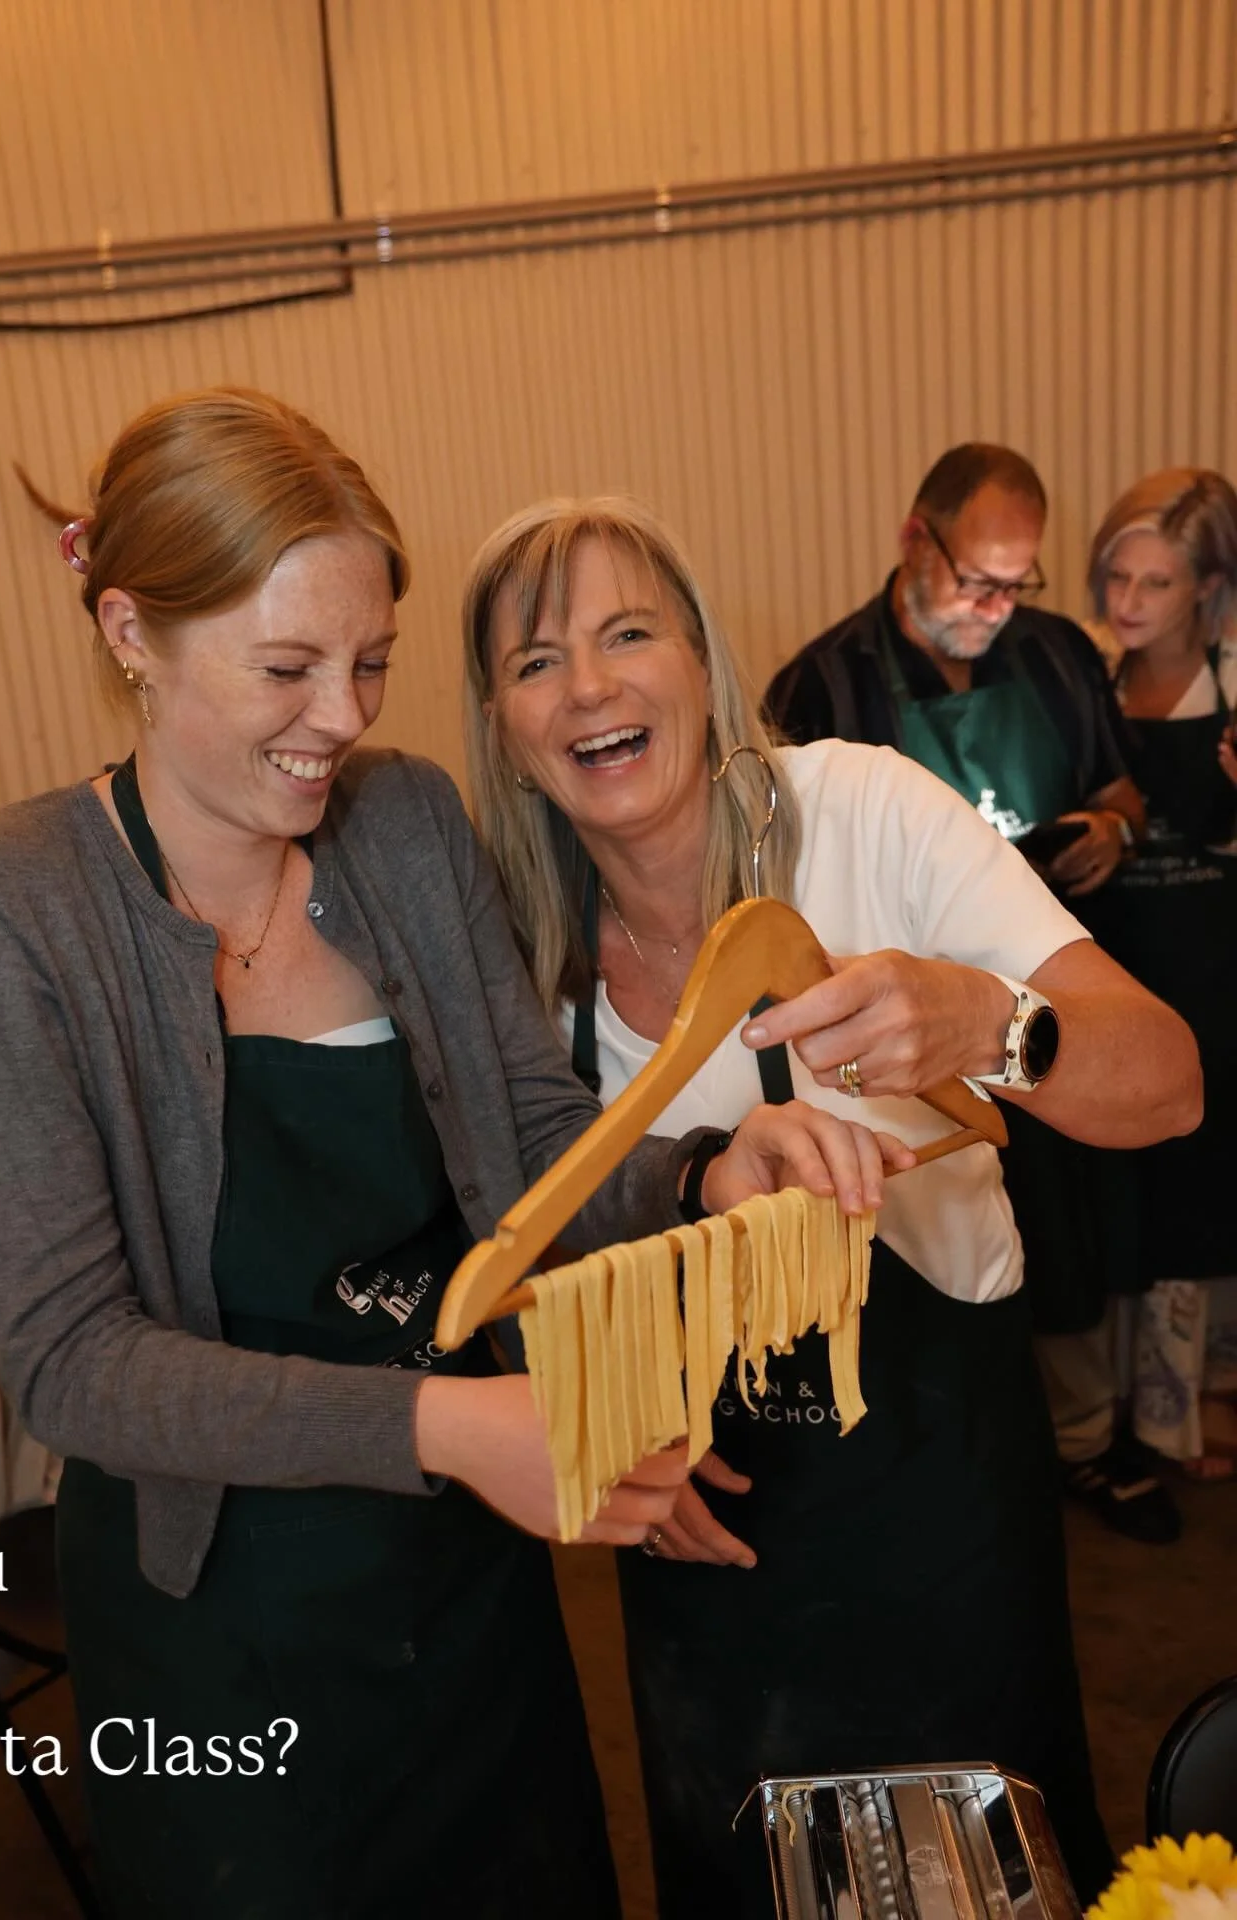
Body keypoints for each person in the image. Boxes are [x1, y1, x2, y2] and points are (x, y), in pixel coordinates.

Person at [0, 389, 821, 1920]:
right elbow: (71, 1361)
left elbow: (528, 1133)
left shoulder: (399, 825)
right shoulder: (4, 906)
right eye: (287, 668)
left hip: (464, 1600)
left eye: (371, 661)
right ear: (131, 631)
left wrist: (700, 1176)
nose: (345, 717)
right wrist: (465, 1436)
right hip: (222, 1637)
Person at [461, 495, 1202, 1920]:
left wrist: (989, 1019)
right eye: (535, 661)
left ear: (705, 663)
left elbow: (1165, 1083)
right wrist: (602, 1422)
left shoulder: (863, 812)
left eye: (630, 633)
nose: (593, 686)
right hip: (705, 1578)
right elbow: (504, 1256)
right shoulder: (512, 950)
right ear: (500, 724)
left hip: (939, 1529)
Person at [765, 443, 1184, 1544]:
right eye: (975, 581)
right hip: (895, 1046)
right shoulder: (823, 687)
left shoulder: (1054, 658)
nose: (995, 609)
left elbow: (1123, 785)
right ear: (916, 540)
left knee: (1079, 1223)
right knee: (933, 1236)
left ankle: (1088, 1438)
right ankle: (969, 1451)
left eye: (1017, 585)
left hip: (1048, 996)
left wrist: (1114, 829)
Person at [1076, 469, 1237, 1476]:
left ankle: (1188, 1411)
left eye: (1158, 584)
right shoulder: (1082, 672)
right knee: (1118, 1186)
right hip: (1114, 957)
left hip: (1217, 969)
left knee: (1203, 1185)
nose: (1127, 603)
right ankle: (1128, 1411)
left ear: (1210, 587)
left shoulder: (1234, 677)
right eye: (1115, 577)